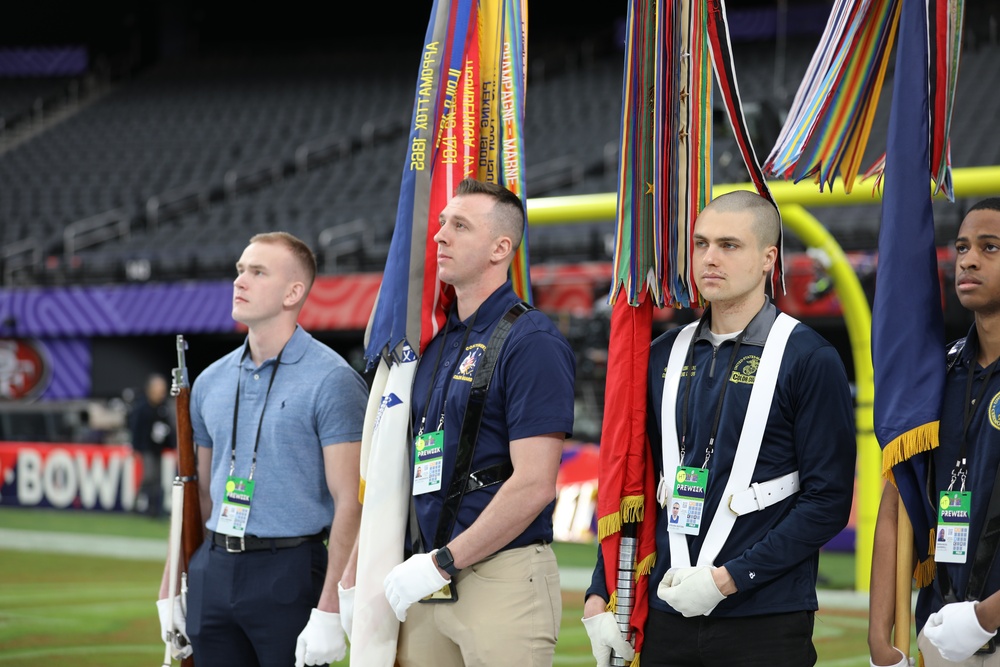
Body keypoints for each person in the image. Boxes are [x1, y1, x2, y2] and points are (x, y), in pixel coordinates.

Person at [583, 190, 857, 666]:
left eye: (729, 245)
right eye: (701, 243)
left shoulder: (809, 357)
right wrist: (599, 591)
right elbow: (637, 481)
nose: (710, 258)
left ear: (769, 258)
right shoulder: (664, 353)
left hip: (764, 621)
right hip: (669, 615)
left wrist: (729, 579)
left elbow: (828, 501)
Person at [380, 178, 577, 666]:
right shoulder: (435, 341)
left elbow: (534, 484)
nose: (440, 235)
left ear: (500, 248)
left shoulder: (531, 341)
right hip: (428, 576)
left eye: (459, 225)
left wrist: (443, 561)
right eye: (443, 222)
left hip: (499, 576)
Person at [156, 231, 369, 667]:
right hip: (212, 566)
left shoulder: (333, 380)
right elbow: (197, 494)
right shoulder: (210, 381)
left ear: (294, 292)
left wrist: (330, 606)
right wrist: (174, 581)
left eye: (257, 272)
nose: (240, 281)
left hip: (289, 570)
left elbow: (352, 503)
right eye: (239, 270)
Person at [869, 199, 1000, 667]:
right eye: (963, 246)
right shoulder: (933, 376)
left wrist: (986, 617)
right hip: (940, 634)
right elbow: (896, 501)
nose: (968, 259)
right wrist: (879, 638)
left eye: (990, 247)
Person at [131, 373, 173, 518]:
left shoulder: (163, 408)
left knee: (157, 478)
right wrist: (135, 447)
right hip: (146, 448)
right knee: (149, 476)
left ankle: (155, 508)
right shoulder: (142, 407)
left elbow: (167, 428)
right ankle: (139, 504)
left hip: (157, 449)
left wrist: (171, 445)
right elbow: (136, 428)